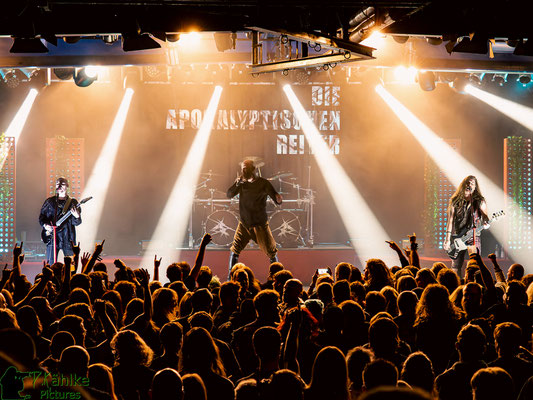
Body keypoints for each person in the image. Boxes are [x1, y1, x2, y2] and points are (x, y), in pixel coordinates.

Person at [227, 159, 282, 275]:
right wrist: (236, 184)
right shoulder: (242, 183)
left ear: (253, 169)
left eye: (246, 168)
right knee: (234, 250)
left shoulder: (263, 183)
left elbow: (275, 197)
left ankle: (278, 278)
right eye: (242, 168)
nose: (243, 170)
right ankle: (230, 278)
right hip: (244, 224)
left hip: (260, 225)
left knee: (271, 252)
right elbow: (229, 194)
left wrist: (278, 198)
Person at [443, 176, 489, 278]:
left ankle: (473, 286)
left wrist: (486, 222)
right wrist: (447, 239)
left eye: (472, 184)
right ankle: (456, 286)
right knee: (455, 265)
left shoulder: (479, 201)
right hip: (458, 236)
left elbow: (485, 215)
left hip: (473, 236)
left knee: (474, 265)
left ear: (475, 187)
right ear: (464, 184)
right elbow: (450, 221)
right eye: (468, 183)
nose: (470, 185)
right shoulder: (455, 201)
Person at [39, 177, 81, 265]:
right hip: (52, 237)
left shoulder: (73, 202)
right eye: (58, 184)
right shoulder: (50, 202)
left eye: (62, 184)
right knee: (51, 264)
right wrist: (46, 226)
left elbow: (76, 223)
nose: (59, 186)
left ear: (67, 186)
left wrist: (77, 216)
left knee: (71, 265)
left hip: (68, 238)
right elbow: (42, 217)